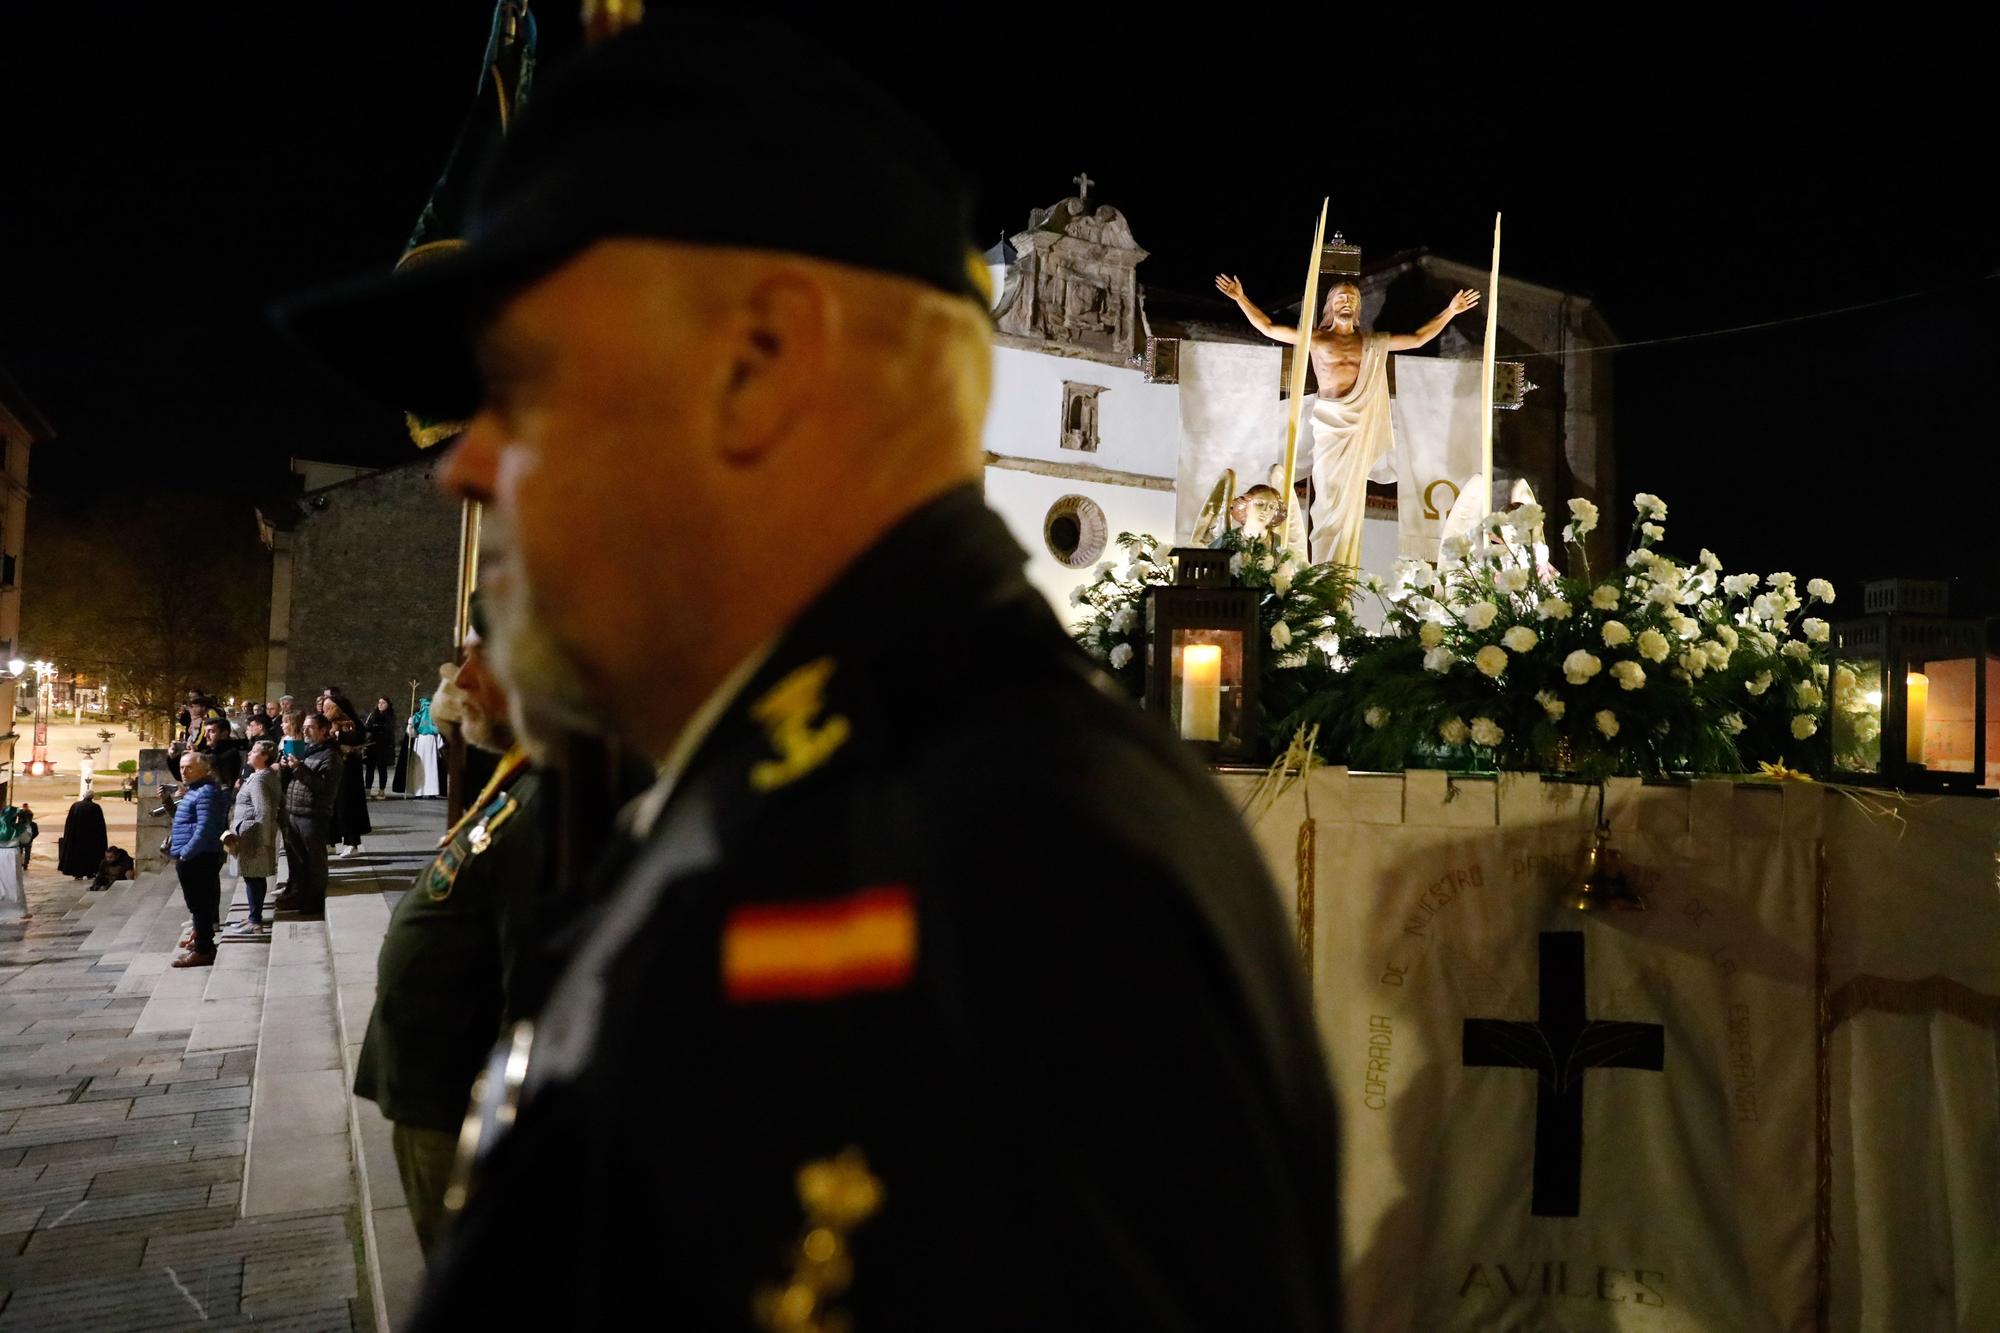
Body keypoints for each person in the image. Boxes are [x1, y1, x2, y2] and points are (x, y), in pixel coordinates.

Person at [283, 17, 1341, 1332]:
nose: (467, 464)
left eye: (523, 385)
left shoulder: (987, 869)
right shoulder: (832, 798)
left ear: (758, 368)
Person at [354, 608, 560, 1258]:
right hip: (429, 1086)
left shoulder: (553, 801)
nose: (460, 678)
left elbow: (530, 985)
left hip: (459, 1101)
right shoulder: (520, 780)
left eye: (480, 659)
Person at [1214, 271, 1478, 569]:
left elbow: (1417, 339)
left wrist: (1450, 311)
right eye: (1341, 298)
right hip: (1329, 425)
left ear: (1358, 309)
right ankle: (1324, 566)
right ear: (1330, 305)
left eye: (1352, 299)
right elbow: (1269, 327)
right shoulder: (1316, 337)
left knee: (1350, 501)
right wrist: (1241, 298)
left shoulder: (1370, 343)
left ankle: (1342, 571)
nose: (1347, 303)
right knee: (1327, 498)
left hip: (1357, 427)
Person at [271, 711, 338, 917]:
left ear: (324, 730)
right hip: (294, 811)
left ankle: (314, 902)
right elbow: (295, 781)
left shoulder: (331, 755)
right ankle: (298, 895)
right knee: (299, 860)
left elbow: (324, 786)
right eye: (305, 727)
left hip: (313, 814)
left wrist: (299, 768)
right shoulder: (307, 750)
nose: (305, 730)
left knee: (314, 861)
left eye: (310, 727)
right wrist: (286, 768)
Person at [165, 753, 227, 966]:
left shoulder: (206, 792)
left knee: (200, 903)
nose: (184, 771)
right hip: (192, 854)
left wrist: (186, 853)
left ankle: (203, 949)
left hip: (198, 856)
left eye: (189, 767)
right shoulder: (195, 790)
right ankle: (202, 941)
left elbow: (205, 828)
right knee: (198, 904)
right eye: (182, 767)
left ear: (204, 769)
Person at [222, 739, 282, 937]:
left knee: (253, 877)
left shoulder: (259, 780)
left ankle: (255, 920)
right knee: (252, 877)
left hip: (252, 836)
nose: (249, 754)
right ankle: (252, 916)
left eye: (254, 751)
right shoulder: (260, 776)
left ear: (264, 757)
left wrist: (264, 841)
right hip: (250, 833)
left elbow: (263, 811)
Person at [324, 698, 371, 856]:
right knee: (331, 806)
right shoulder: (325, 722)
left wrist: (338, 735)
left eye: (330, 707)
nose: (326, 710)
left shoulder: (353, 722)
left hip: (348, 770)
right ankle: (330, 842)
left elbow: (358, 737)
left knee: (348, 805)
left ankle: (352, 844)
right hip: (331, 767)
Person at [57, 793, 108, 880]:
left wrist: (68, 836)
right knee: (90, 855)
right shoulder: (95, 807)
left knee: (77, 854)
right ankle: (90, 872)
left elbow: (69, 822)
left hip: (76, 837)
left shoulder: (76, 805)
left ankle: (78, 873)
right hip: (91, 837)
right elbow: (100, 824)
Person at [197, 716, 245, 789]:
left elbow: (227, 784)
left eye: (211, 731)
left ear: (224, 734)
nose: (205, 735)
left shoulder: (231, 754)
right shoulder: (207, 752)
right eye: (205, 731)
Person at [363, 697, 398, 797]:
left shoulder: (390, 716)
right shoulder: (373, 714)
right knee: (370, 768)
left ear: (388, 704)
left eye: (383, 703)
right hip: (372, 745)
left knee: (382, 769)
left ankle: (381, 791)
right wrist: (375, 728)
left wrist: (377, 728)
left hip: (384, 747)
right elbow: (367, 727)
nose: (380, 704)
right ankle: (368, 790)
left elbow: (389, 729)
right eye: (379, 702)